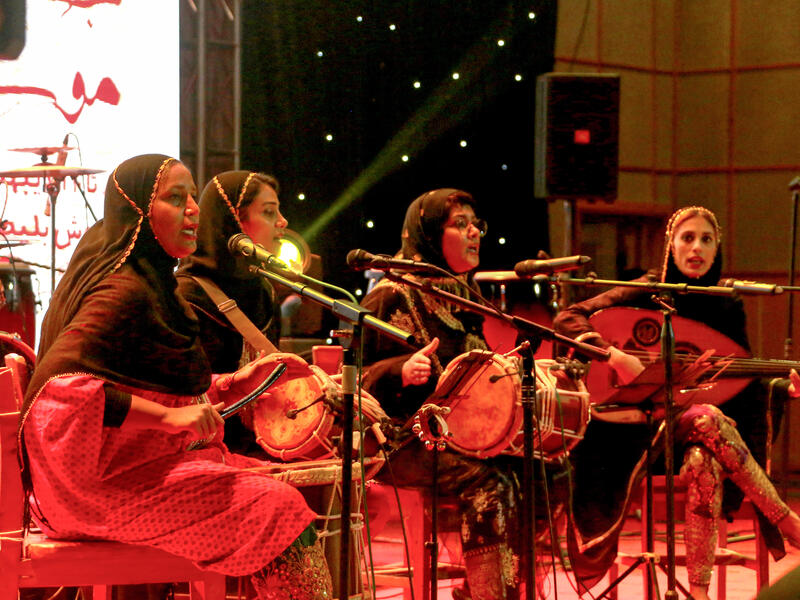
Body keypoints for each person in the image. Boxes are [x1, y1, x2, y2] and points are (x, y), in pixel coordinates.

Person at [19, 154, 332, 599]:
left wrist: (231, 385)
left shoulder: (152, 285)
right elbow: (60, 394)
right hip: (95, 490)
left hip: (132, 471)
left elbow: (151, 386)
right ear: (139, 212)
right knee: (276, 507)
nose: (192, 209)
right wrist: (168, 421)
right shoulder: (123, 292)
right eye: (174, 198)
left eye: (192, 197)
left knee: (269, 488)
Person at [553, 205, 800, 600]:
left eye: (706, 239)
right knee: (706, 418)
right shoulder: (646, 289)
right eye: (687, 238)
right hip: (632, 437)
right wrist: (612, 355)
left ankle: (697, 594)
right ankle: (784, 518)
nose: (696, 247)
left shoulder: (726, 303)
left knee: (704, 454)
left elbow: (740, 374)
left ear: (717, 247)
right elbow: (570, 316)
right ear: (671, 246)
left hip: (692, 430)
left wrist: (779, 386)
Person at [361, 189, 565, 600]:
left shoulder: (465, 296)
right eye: (460, 224)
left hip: (458, 437)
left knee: (548, 470)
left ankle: (488, 586)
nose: (474, 233)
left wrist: (518, 374)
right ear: (429, 235)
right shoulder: (391, 293)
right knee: (491, 482)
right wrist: (399, 370)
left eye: (477, 225)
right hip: (399, 441)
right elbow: (356, 377)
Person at [175, 170, 288, 457]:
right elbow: (180, 396)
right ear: (233, 221)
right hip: (204, 449)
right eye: (269, 212)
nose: (282, 222)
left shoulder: (265, 291)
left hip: (271, 443)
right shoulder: (185, 295)